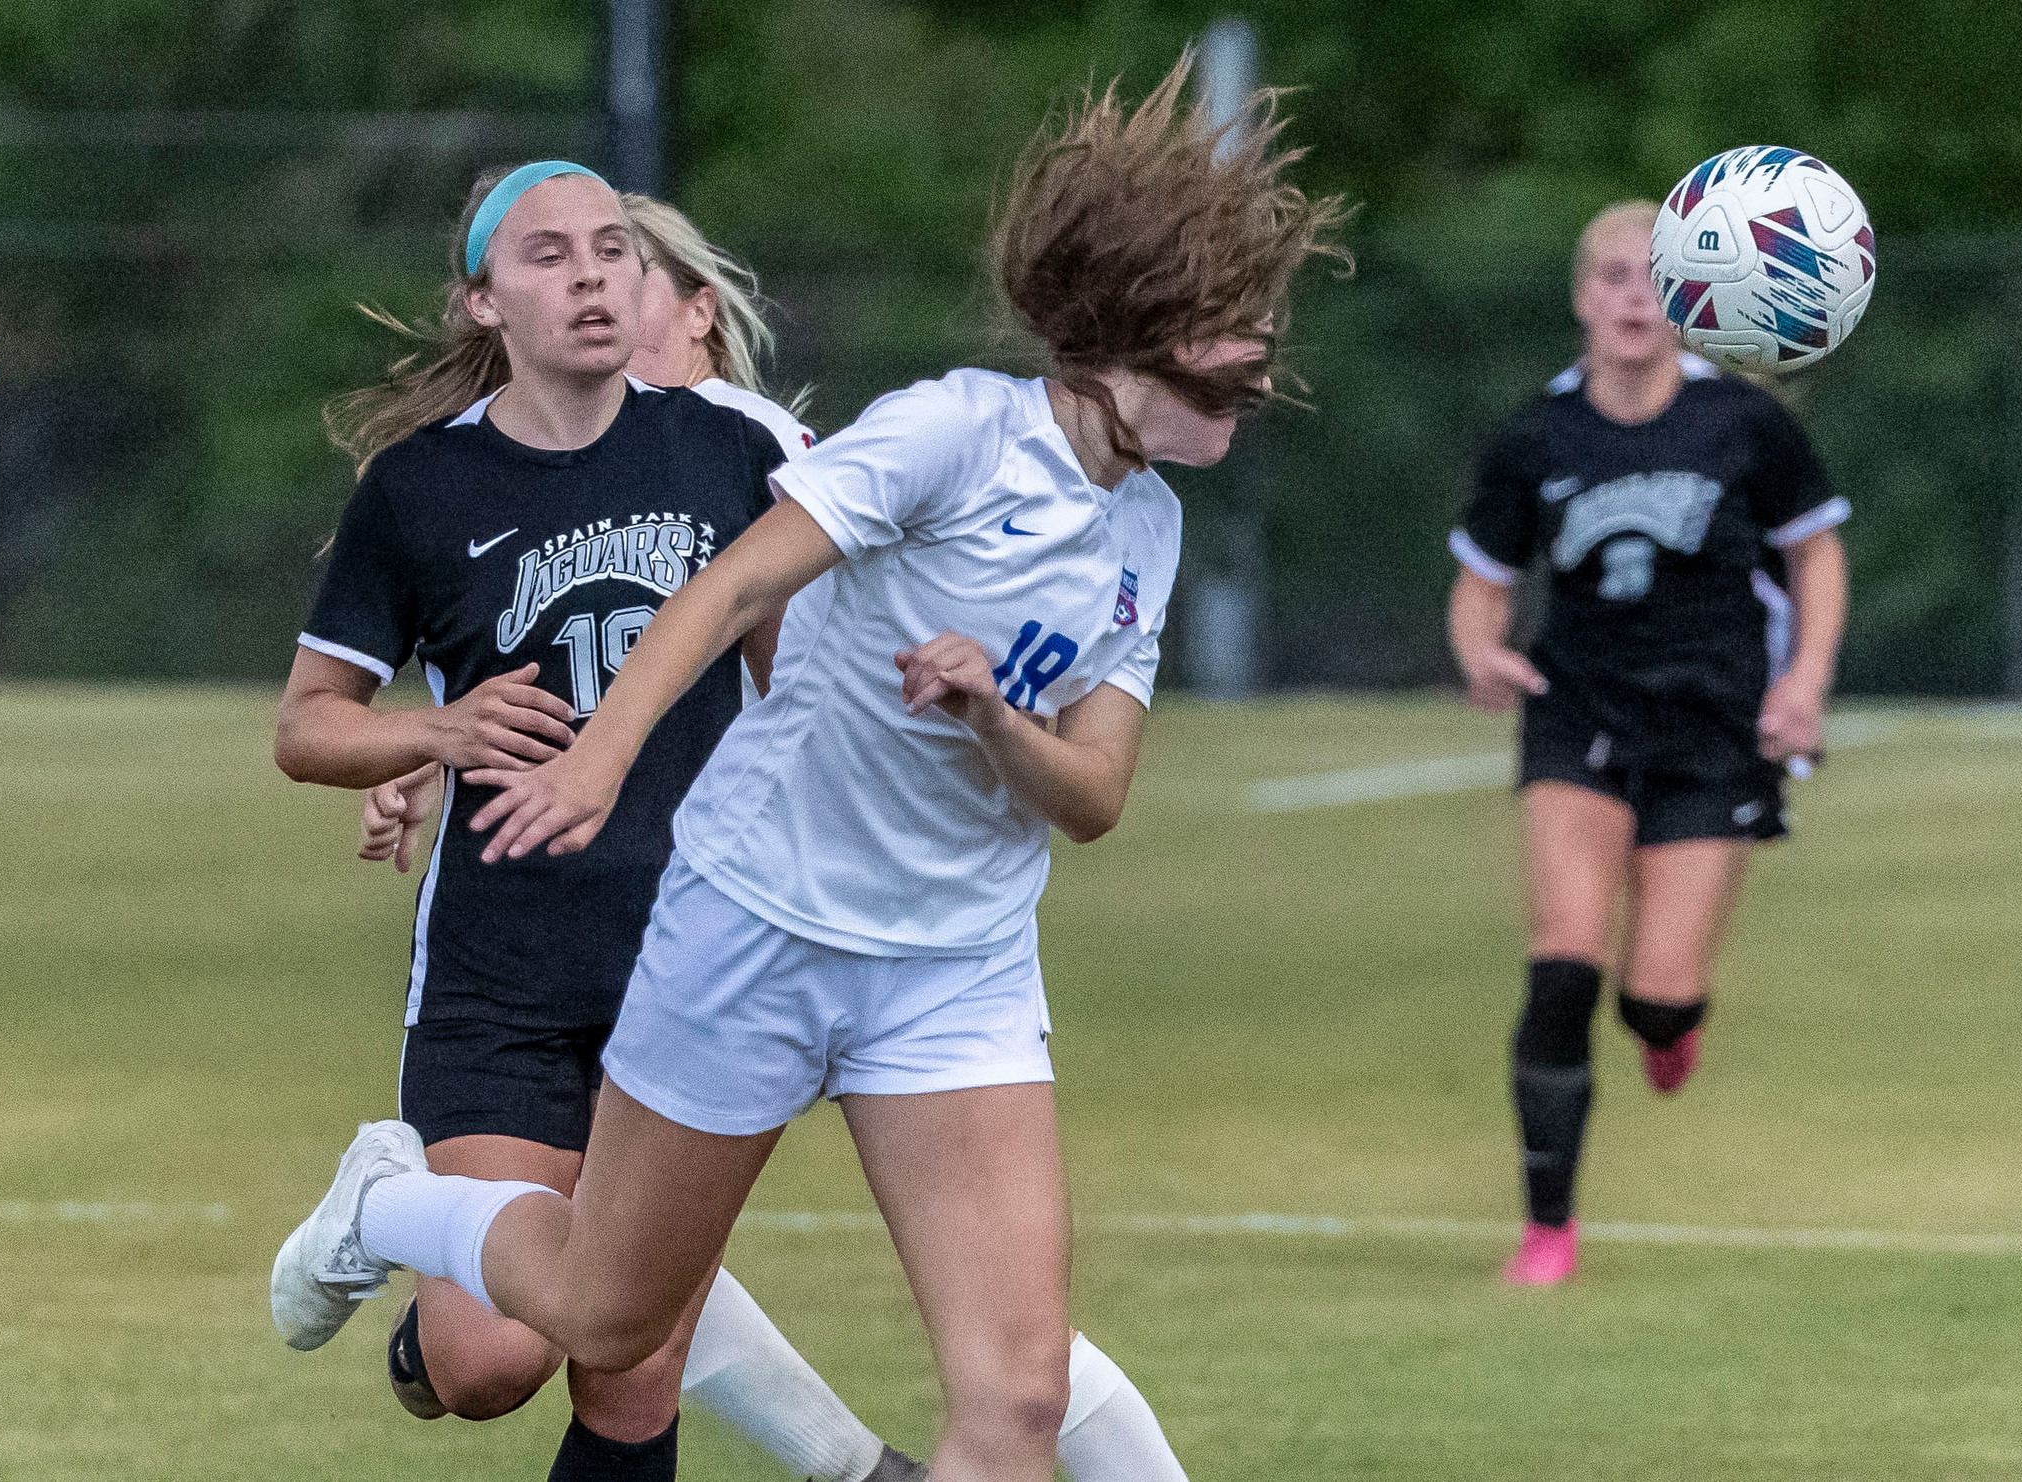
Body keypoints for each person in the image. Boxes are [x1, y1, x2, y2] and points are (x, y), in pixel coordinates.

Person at [273, 58, 1346, 1482]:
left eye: (615, 251)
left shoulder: (1129, 522)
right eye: (1230, 340)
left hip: (949, 961)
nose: (1259, 373)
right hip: (736, 927)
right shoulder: (946, 431)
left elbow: (1076, 786)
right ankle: (389, 1206)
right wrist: (535, 754)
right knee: (582, 1322)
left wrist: (990, 719)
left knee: (1009, 1398)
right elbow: (722, 592)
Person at [274, 163, 920, 1482]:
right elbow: (307, 723)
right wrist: (431, 736)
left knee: (628, 1375)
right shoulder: (419, 488)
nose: (589, 276)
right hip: (498, 980)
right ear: (483, 300)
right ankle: (391, 1215)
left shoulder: (727, 451)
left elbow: (800, 691)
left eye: (612, 249)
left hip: (694, 970)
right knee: (488, 1364)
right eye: (548, 254)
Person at [1445, 200, 1850, 1286]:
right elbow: (1481, 582)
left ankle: (1670, 1025)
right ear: (1582, 298)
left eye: (1655, 280)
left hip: (1712, 727)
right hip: (1577, 713)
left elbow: (1815, 554)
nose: (1633, 298)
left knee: (1655, 995)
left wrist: (1803, 681)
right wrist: (1479, 652)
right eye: (1613, 277)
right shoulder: (1535, 437)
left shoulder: (1743, 424)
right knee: (1563, 965)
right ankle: (1547, 1230)